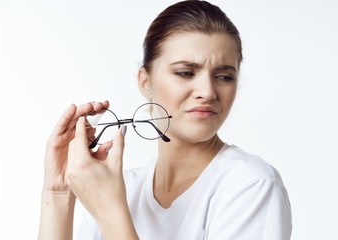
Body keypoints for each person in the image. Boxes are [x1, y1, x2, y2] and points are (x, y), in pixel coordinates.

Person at [38, 0, 292, 239]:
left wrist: (111, 213)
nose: (207, 91)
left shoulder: (250, 185)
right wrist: (58, 192)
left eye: (224, 76)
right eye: (185, 72)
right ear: (145, 81)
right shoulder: (123, 188)